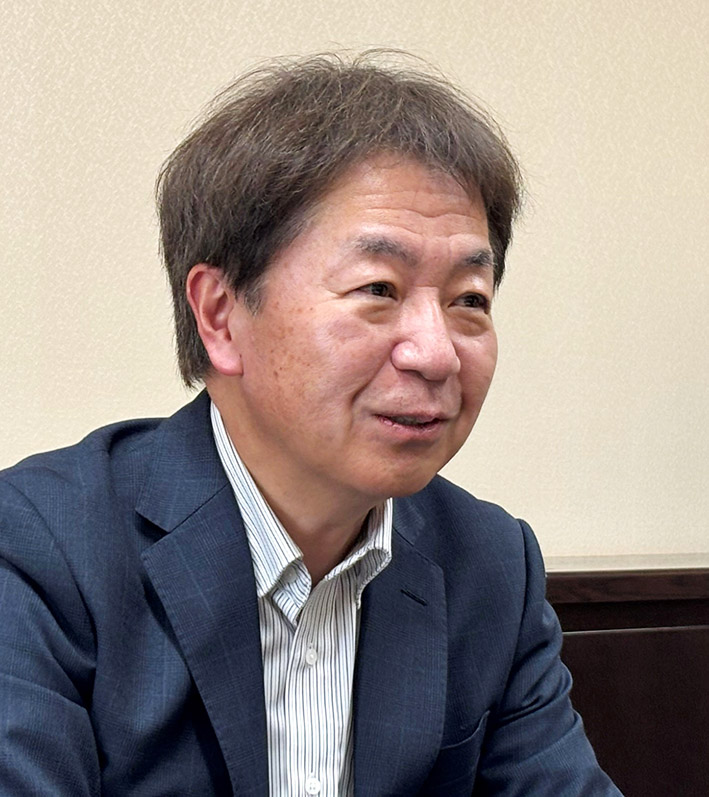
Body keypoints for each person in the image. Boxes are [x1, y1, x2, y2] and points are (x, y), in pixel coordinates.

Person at [0, 52, 622, 796]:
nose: (436, 353)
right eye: (378, 288)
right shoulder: (45, 548)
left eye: (468, 299)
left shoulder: (489, 564)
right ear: (220, 315)